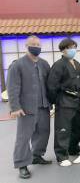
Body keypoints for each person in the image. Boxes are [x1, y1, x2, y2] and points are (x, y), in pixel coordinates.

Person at [7, 36, 51, 179]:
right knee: (23, 137)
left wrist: (52, 102)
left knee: (43, 132)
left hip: (44, 105)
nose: (36, 46)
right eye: (33, 44)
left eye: (38, 44)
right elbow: (12, 87)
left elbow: (50, 85)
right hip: (26, 108)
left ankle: (36, 156)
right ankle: (22, 164)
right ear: (26, 46)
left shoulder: (44, 64)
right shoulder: (17, 65)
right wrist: (15, 107)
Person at [47, 38, 80, 167]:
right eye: (69, 47)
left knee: (76, 127)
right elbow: (52, 85)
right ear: (63, 49)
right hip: (63, 101)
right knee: (63, 129)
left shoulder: (77, 64)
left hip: (76, 101)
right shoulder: (58, 65)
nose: (72, 49)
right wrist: (55, 101)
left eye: (74, 46)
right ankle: (61, 156)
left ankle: (73, 148)